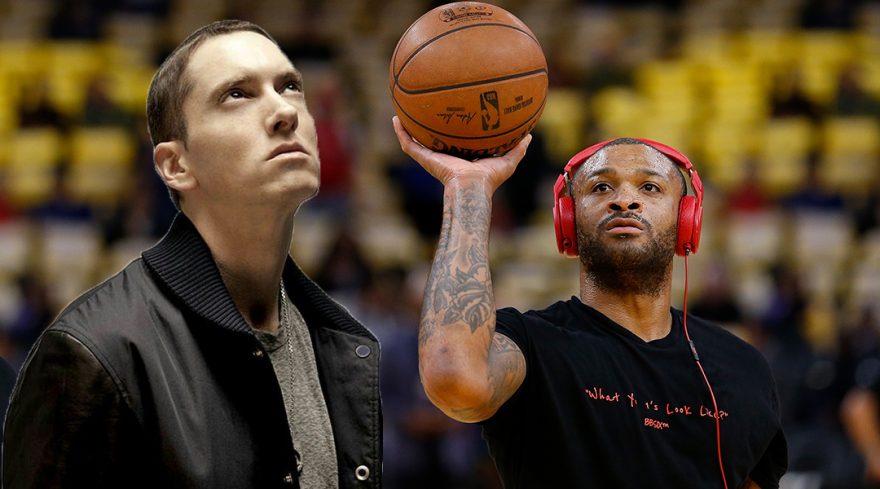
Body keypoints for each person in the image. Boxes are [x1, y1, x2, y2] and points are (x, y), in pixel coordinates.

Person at [3, 20, 381, 489]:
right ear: (176, 165)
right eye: (237, 94)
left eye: (289, 86)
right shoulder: (94, 352)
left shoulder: (337, 338)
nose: (285, 110)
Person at [392, 117, 787, 488]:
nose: (624, 200)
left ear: (687, 219)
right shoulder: (532, 345)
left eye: (650, 188)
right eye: (601, 188)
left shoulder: (742, 366)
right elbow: (452, 380)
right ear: (568, 220)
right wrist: (468, 189)